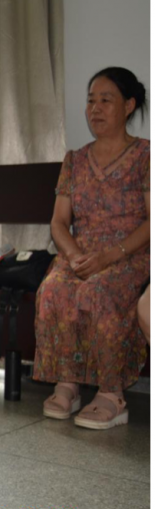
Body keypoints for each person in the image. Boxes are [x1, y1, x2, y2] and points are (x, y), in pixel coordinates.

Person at [35, 67, 150, 430]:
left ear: (129, 105)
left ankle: (112, 393)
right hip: (80, 253)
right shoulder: (75, 160)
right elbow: (58, 222)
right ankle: (67, 384)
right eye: (90, 101)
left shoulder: (146, 156)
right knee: (53, 290)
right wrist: (72, 255)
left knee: (99, 292)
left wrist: (110, 255)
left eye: (106, 100)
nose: (95, 109)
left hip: (128, 254)